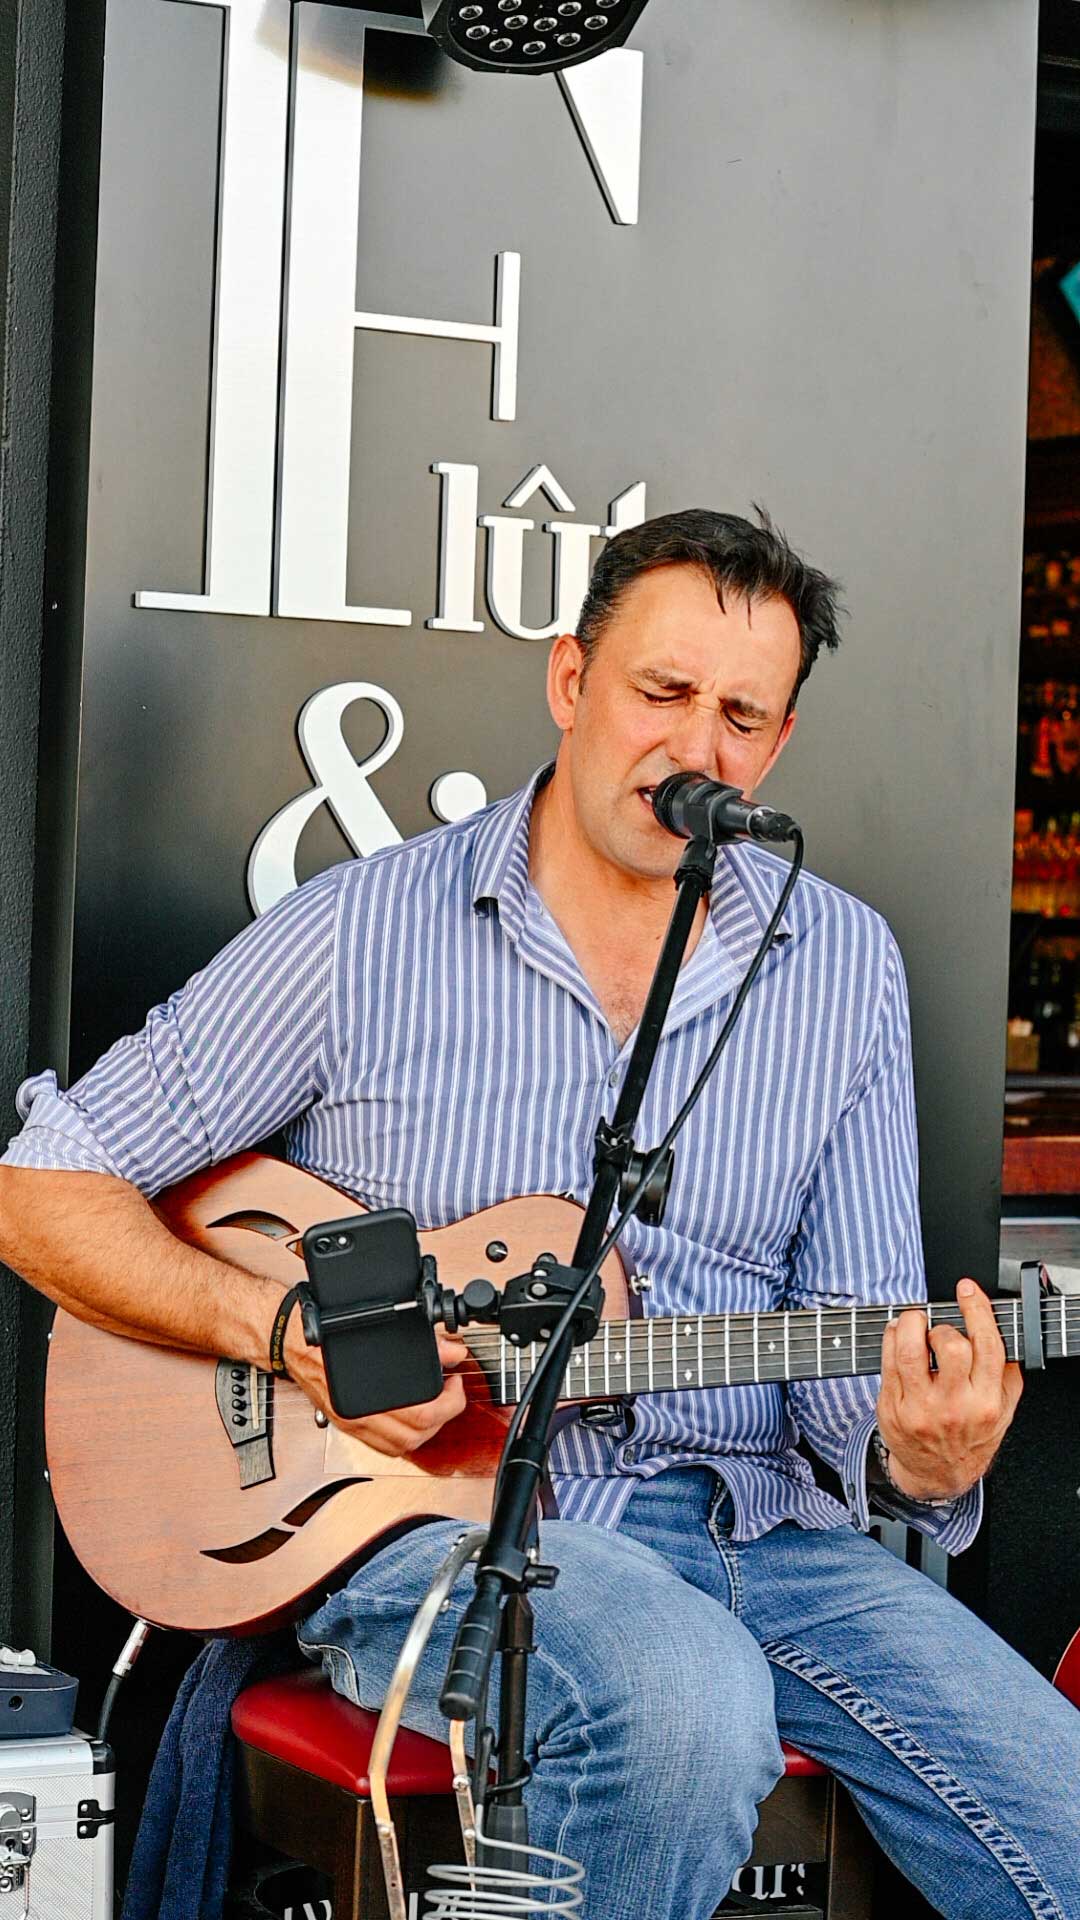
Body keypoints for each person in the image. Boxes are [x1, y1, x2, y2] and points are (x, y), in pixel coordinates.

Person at [1, 508, 1078, 1920]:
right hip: (445, 1525)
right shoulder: (364, 931)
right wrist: (277, 1326)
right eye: (663, 693)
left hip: (760, 1534)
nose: (699, 751)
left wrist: (924, 1466)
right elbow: (43, 1189)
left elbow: (849, 1391)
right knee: (682, 1709)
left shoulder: (844, 967)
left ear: (779, 747)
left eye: (743, 716)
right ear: (571, 681)